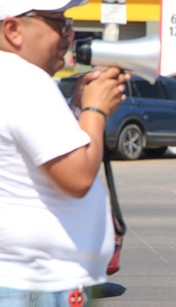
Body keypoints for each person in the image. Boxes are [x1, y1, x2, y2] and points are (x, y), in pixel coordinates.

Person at [0, 0, 129, 305]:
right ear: (14, 29)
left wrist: (77, 109)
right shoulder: (25, 80)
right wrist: (95, 110)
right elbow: (77, 176)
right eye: (59, 24)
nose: (69, 36)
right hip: (39, 287)